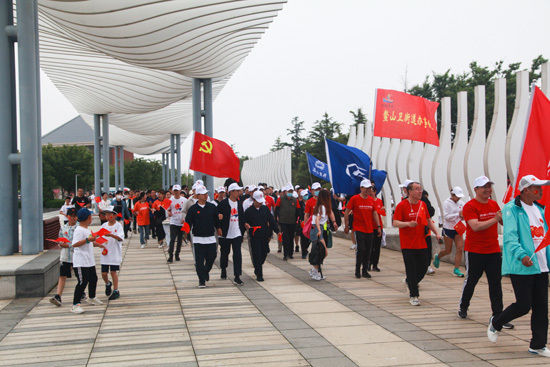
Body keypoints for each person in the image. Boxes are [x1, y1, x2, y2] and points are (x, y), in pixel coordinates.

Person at [488, 175, 549, 355]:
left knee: (541, 308)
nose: (541, 189)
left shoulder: (539, 208)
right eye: (536, 187)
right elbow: (510, 238)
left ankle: (537, 345)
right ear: (525, 190)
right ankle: (496, 322)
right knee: (523, 305)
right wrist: (522, 255)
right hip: (523, 266)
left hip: (541, 265)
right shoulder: (511, 209)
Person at [457, 176, 512, 330]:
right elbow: (475, 226)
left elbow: (503, 221)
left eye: (489, 186)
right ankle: (463, 306)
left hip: (493, 250)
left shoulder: (494, 204)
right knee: (472, 280)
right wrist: (495, 218)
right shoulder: (470, 206)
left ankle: (498, 316)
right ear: (476, 190)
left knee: (495, 284)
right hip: (475, 251)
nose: (488, 190)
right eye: (484, 187)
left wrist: (507, 215)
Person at [393, 181, 441, 306]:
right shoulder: (402, 205)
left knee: (424, 267)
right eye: (416, 189)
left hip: (421, 242)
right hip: (407, 244)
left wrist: (436, 232)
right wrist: (407, 224)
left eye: (420, 189)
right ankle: (414, 295)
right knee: (411, 268)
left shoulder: (422, 205)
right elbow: (395, 222)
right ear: (409, 192)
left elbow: (428, 220)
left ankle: (410, 282)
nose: (420, 191)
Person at [71, 208, 105, 313]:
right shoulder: (79, 230)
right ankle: (75, 305)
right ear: (88, 218)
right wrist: (87, 240)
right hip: (81, 261)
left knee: (93, 279)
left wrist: (97, 244)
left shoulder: (87, 229)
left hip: (89, 260)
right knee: (82, 282)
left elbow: (89, 242)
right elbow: (75, 244)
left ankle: (92, 297)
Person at [345, 179, 381, 279]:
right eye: (365, 188)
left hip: (369, 229)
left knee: (368, 251)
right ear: (361, 188)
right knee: (361, 249)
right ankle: (357, 270)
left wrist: (378, 227)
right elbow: (347, 212)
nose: (367, 190)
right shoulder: (354, 199)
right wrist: (347, 225)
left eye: (369, 188)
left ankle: (364, 270)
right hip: (359, 228)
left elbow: (374, 213)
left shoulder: (371, 200)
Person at [185, 185, 220, 288]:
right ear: (197, 195)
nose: (205, 195)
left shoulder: (212, 207)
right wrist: (187, 235)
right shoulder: (193, 209)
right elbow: (188, 223)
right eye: (203, 194)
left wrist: (219, 228)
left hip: (210, 238)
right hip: (198, 238)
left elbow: (216, 221)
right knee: (199, 261)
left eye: (206, 193)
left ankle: (205, 272)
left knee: (212, 257)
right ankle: (201, 280)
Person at [244, 191, 278, 281]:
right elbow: (244, 221)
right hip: (254, 236)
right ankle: (259, 274)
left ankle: (258, 267)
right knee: (257, 254)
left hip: (264, 234)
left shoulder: (265, 209)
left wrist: (277, 230)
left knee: (265, 252)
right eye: (258, 201)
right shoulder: (249, 211)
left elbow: (271, 220)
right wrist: (246, 225)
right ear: (254, 200)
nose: (260, 203)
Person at [434, 186, 466, 277]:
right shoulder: (446, 203)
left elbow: (463, 215)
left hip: (458, 227)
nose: (459, 198)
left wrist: (463, 216)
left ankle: (456, 269)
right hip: (448, 228)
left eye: (460, 196)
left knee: (460, 248)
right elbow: (447, 217)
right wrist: (458, 214)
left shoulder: (461, 203)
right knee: (448, 250)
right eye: (457, 196)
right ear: (452, 194)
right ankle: (438, 256)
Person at [217, 183, 245, 285]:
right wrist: (219, 228)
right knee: (225, 253)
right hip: (226, 233)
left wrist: (243, 230)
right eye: (237, 191)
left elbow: (242, 217)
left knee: (237, 254)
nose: (239, 193)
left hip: (237, 233)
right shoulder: (223, 203)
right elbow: (217, 217)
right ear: (231, 192)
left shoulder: (239, 203)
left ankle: (237, 276)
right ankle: (223, 269)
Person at [50, 208, 78, 306]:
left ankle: (81, 292)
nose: (74, 218)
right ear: (68, 217)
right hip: (65, 256)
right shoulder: (63, 227)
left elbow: (78, 243)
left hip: (76, 256)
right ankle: (58, 296)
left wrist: (69, 245)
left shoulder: (79, 228)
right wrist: (60, 243)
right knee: (62, 275)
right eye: (72, 216)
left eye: (75, 216)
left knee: (79, 276)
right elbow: (59, 238)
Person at [309, 189, 338, 281]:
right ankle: (315, 270)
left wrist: (334, 222)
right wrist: (319, 230)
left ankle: (314, 269)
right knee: (321, 251)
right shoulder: (322, 207)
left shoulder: (323, 206)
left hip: (318, 228)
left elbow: (330, 213)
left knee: (321, 251)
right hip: (317, 229)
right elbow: (317, 219)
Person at [100, 207, 124, 301]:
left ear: (114, 215)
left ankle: (116, 290)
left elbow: (120, 238)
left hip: (114, 252)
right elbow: (99, 236)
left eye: (109, 214)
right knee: (104, 273)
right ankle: (107, 283)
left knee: (113, 272)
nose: (107, 216)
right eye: (106, 214)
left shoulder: (118, 226)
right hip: (105, 252)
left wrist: (111, 235)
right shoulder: (104, 225)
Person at [275, 185, 301, 260]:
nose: (290, 192)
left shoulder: (295, 200)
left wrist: (298, 220)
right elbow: (276, 209)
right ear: (285, 191)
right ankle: (285, 254)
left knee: (291, 238)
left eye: (291, 191)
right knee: (285, 238)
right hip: (283, 222)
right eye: (288, 191)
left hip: (292, 222)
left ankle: (290, 253)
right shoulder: (281, 199)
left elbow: (298, 210)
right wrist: (276, 219)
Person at [167, 185, 188, 262]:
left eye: (177, 191)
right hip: (173, 222)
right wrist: (169, 213)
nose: (176, 192)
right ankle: (170, 256)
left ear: (180, 191)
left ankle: (177, 254)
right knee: (172, 239)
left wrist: (184, 219)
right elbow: (168, 209)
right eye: (174, 191)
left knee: (179, 240)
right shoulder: (170, 200)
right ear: (172, 191)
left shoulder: (185, 200)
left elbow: (187, 211)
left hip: (181, 223)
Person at [369, 184, 385, 272]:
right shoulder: (368, 200)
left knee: (377, 247)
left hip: (378, 226)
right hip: (370, 226)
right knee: (370, 247)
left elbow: (382, 213)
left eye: (371, 191)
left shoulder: (379, 201)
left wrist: (382, 210)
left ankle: (375, 264)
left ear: (375, 192)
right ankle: (368, 263)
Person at [421, 190, 437, 275]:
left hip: (426, 230)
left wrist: (437, 233)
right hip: (421, 232)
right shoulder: (423, 201)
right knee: (427, 250)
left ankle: (426, 266)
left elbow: (429, 216)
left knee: (427, 249)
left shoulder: (423, 203)